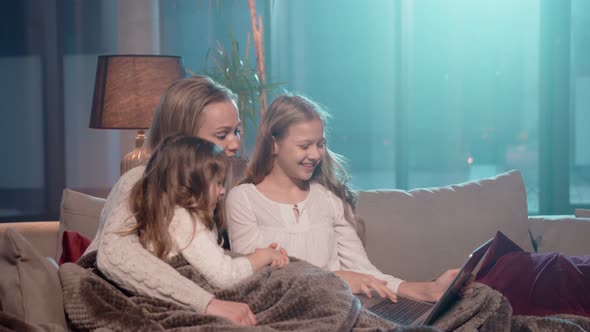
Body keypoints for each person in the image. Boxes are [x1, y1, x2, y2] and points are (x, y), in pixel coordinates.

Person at [226, 94, 458, 303]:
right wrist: (336, 279)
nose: (316, 154)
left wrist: (427, 290)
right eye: (304, 145)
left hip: (338, 306)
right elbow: (250, 281)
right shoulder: (243, 199)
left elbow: (363, 272)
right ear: (274, 144)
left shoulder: (328, 200)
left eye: (320, 144)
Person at [86, 76, 274, 326]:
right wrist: (208, 304)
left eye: (237, 131)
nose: (236, 144)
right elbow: (115, 254)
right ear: (182, 142)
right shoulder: (140, 180)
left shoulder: (210, 188)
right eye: (222, 134)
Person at [128, 134, 288, 290]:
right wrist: (261, 258)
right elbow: (225, 276)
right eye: (218, 183)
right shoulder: (187, 221)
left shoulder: (169, 215)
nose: (223, 191)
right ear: (192, 183)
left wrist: (255, 258)